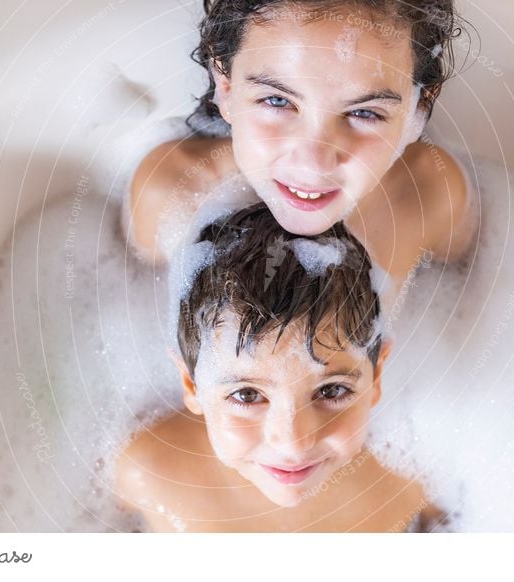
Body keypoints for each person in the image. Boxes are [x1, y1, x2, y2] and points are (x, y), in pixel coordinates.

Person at [114, 202, 453, 532]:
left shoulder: (416, 483)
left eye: (331, 390)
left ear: (375, 375)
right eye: (247, 395)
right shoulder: (148, 475)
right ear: (191, 385)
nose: (294, 443)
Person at [125, 0, 477, 284]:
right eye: (277, 101)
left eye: (365, 113)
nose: (313, 163)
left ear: (421, 105)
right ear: (226, 87)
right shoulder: (168, 195)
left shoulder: (430, 196)